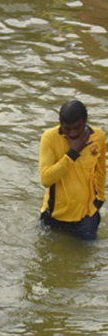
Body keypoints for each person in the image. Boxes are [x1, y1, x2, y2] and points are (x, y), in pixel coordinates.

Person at [38, 99, 105, 241]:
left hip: (86, 217)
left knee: (86, 259)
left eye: (78, 128)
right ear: (60, 123)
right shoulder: (49, 138)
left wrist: (99, 200)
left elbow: (100, 171)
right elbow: (46, 179)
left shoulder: (98, 137)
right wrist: (72, 153)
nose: (73, 133)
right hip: (54, 215)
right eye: (67, 128)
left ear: (85, 121)